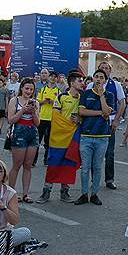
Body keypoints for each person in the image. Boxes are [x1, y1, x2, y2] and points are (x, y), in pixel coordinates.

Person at [39, 70, 84, 203]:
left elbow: (84, 116)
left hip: (73, 137)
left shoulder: (83, 98)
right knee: (54, 163)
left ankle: (65, 191)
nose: (82, 83)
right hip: (58, 137)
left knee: (69, 164)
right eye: (79, 81)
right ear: (71, 83)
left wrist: (79, 120)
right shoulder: (62, 97)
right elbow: (55, 117)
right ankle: (46, 191)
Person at [75, 69, 115, 205]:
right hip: (86, 135)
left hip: (102, 137)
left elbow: (107, 113)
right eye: (96, 77)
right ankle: (84, 193)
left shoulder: (109, 95)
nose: (98, 79)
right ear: (93, 79)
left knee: (97, 167)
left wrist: (101, 96)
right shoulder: (86, 94)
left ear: (105, 80)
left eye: (101, 77)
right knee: (85, 167)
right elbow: (81, 111)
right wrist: (100, 113)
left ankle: (94, 194)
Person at [6, 78, 40, 204]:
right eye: (26, 88)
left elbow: (37, 123)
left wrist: (34, 112)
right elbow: (11, 120)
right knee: (17, 165)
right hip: (19, 132)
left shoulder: (35, 102)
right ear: (21, 88)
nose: (29, 91)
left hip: (32, 133)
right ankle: (11, 193)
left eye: (31, 89)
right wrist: (22, 110)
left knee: (28, 165)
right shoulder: (14, 100)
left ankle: (26, 194)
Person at [94, 61, 126, 190]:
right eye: (102, 68)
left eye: (107, 68)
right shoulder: (91, 85)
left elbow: (122, 104)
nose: (104, 70)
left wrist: (116, 120)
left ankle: (109, 179)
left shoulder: (116, 85)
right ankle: (94, 178)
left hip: (109, 121)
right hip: (94, 120)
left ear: (110, 71)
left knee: (110, 152)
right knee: (94, 151)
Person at [34, 69, 59, 166]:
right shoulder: (43, 89)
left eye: (54, 77)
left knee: (49, 141)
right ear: (48, 78)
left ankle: (46, 160)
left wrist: (53, 103)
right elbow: (37, 102)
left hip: (52, 118)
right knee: (37, 140)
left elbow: (59, 105)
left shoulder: (58, 91)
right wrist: (44, 101)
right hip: (42, 117)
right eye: (51, 76)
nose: (53, 78)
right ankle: (33, 160)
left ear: (56, 79)